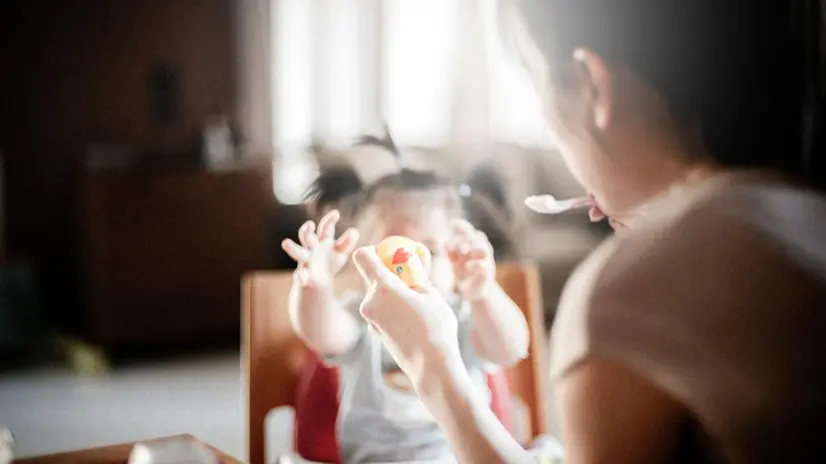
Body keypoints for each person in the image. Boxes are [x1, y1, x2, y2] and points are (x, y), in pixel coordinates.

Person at [348, 0, 826, 462]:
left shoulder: (621, 294)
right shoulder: (805, 212)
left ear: (592, 85)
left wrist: (433, 366)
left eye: (537, 87)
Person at [280, 130, 530, 463]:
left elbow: (511, 347)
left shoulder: (465, 317)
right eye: (391, 251)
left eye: (427, 250)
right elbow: (320, 331)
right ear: (363, 261)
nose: (408, 266)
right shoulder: (364, 314)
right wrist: (316, 286)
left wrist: (484, 292)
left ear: (454, 259)